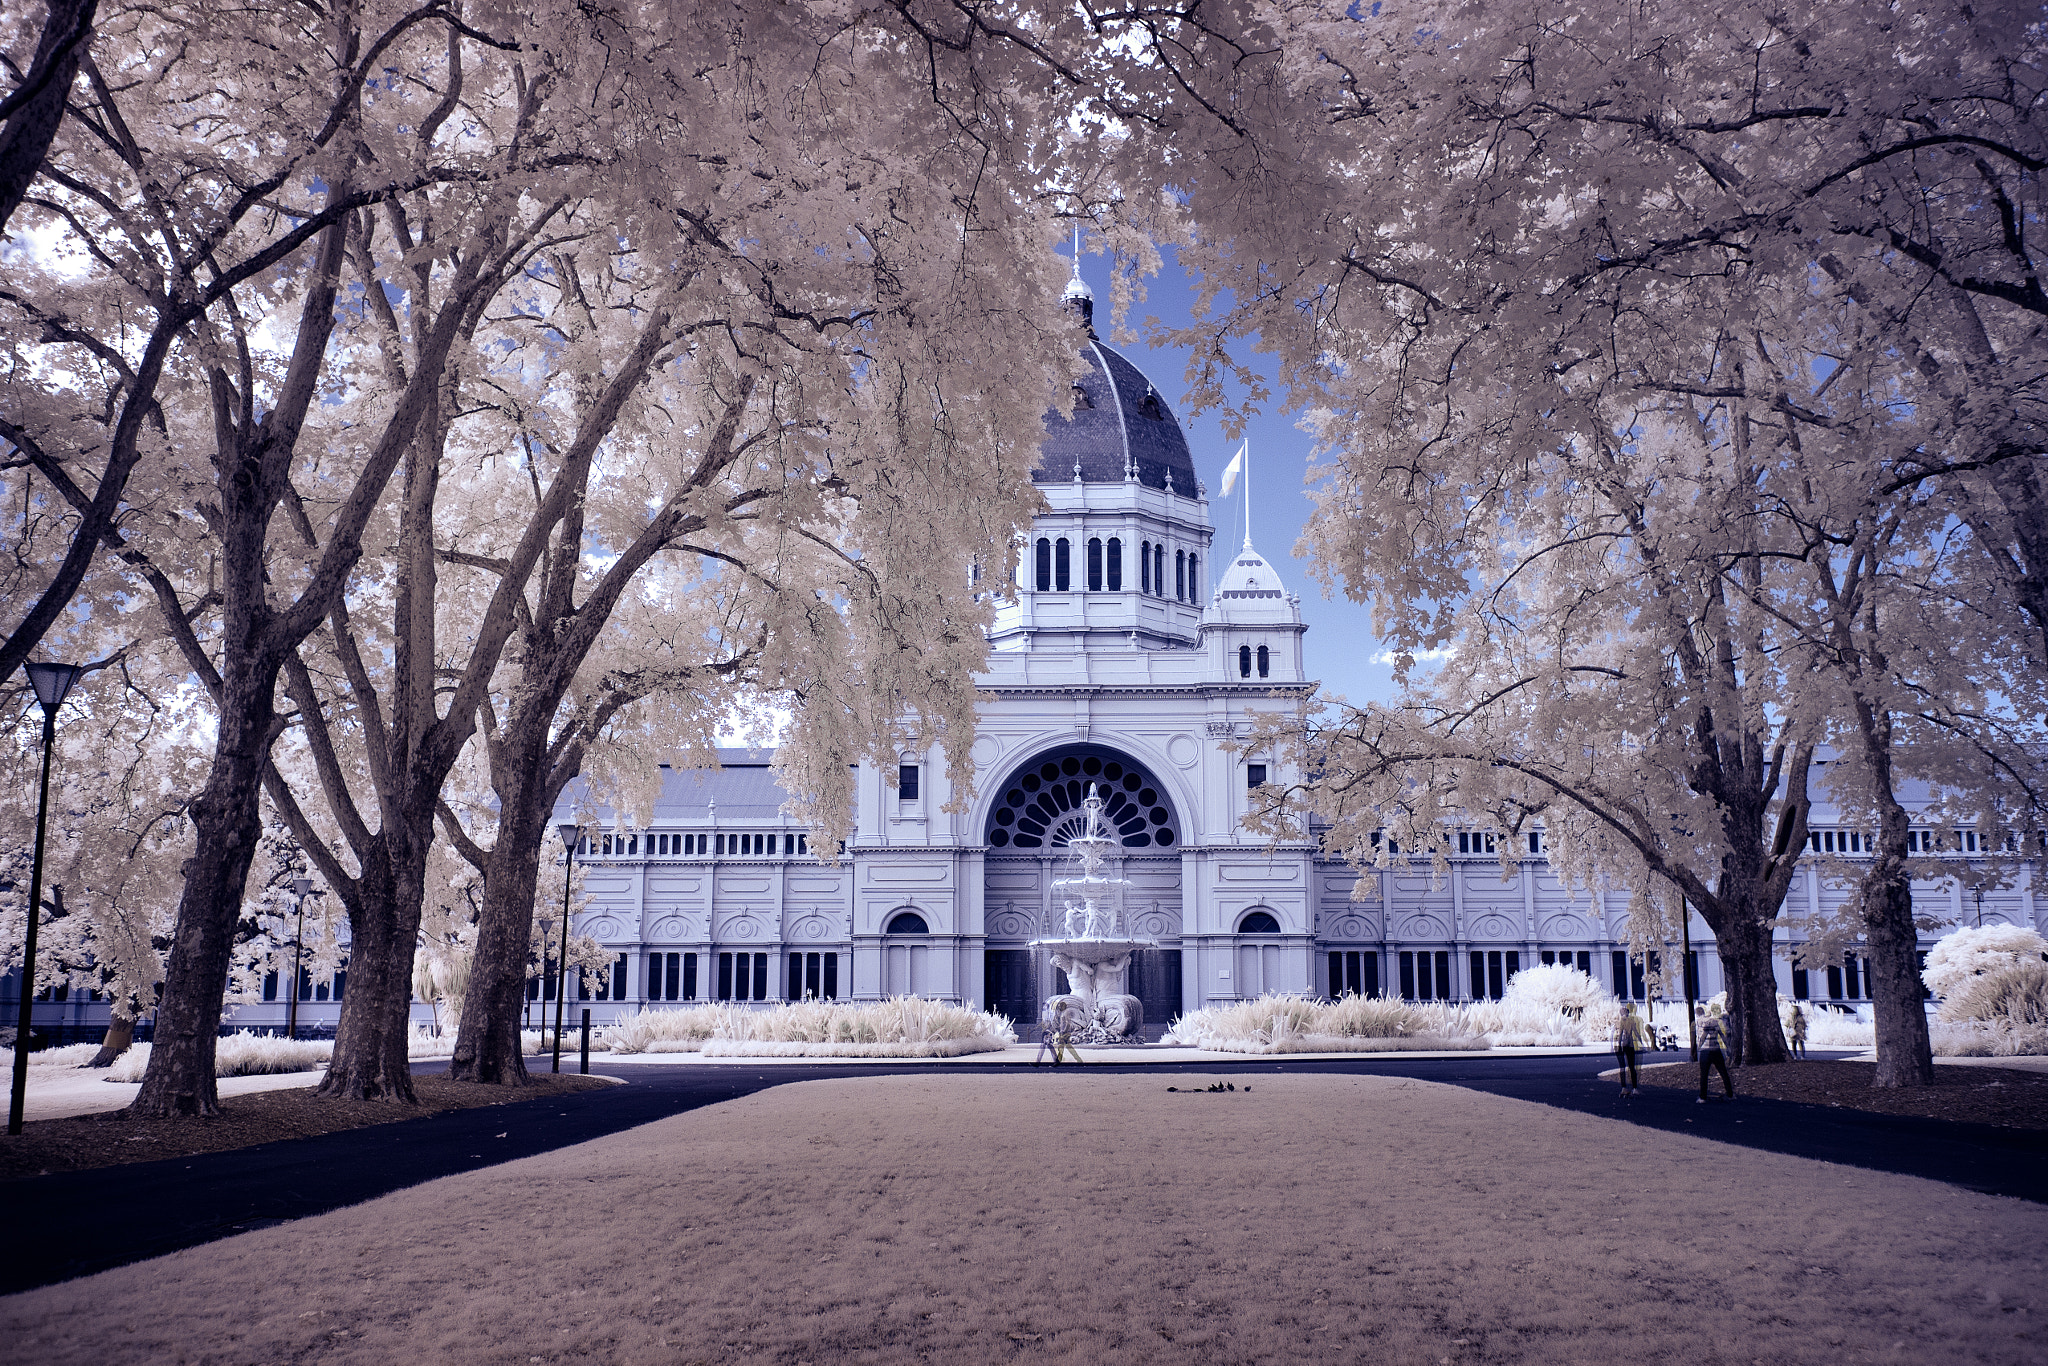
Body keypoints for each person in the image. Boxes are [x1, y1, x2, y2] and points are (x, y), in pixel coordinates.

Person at [1698, 1005, 1735, 1102]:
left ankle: (1703, 1097)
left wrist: (1699, 1046)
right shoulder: (1715, 1022)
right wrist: (1728, 1048)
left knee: (1704, 1074)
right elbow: (1722, 1035)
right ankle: (1730, 1094)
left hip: (1705, 1050)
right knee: (1723, 1072)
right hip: (1716, 1049)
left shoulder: (1698, 1022)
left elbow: (1702, 1036)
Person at [1614, 1002, 1646, 1094]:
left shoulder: (1620, 1022)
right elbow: (1636, 1032)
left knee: (1622, 1067)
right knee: (1632, 1067)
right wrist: (1641, 1043)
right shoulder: (1631, 1021)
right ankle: (1634, 1088)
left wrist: (1619, 1046)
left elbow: (1619, 1035)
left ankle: (1623, 1087)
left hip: (1622, 1045)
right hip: (1630, 1045)